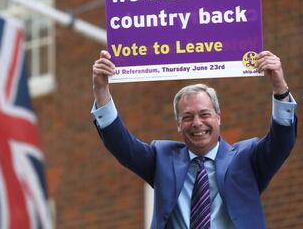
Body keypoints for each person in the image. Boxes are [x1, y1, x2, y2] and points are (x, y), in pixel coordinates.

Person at [91, 50, 297, 229]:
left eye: (205, 114)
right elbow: (121, 145)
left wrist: (279, 86)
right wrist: (101, 89)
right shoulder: (162, 158)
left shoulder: (247, 158)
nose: (197, 123)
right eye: (187, 117)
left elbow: (282, 141)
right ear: (178, 124)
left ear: (218, 117)